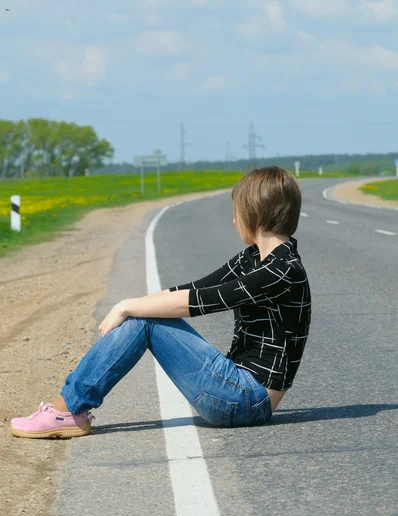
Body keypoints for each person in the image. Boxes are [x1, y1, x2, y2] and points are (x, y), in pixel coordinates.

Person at [10, 166, 311, 438]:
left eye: (237, 211)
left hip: (246, 400)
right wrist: (130, 305)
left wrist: (127, 307)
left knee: (146, 318)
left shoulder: (281, 270)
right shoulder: (254, 259)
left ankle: (65, 410)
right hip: (235, 389)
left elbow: (200, 301)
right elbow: (194, 287)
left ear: (253, 212)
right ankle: (67, 409)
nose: (234, 219)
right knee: (144, 313)